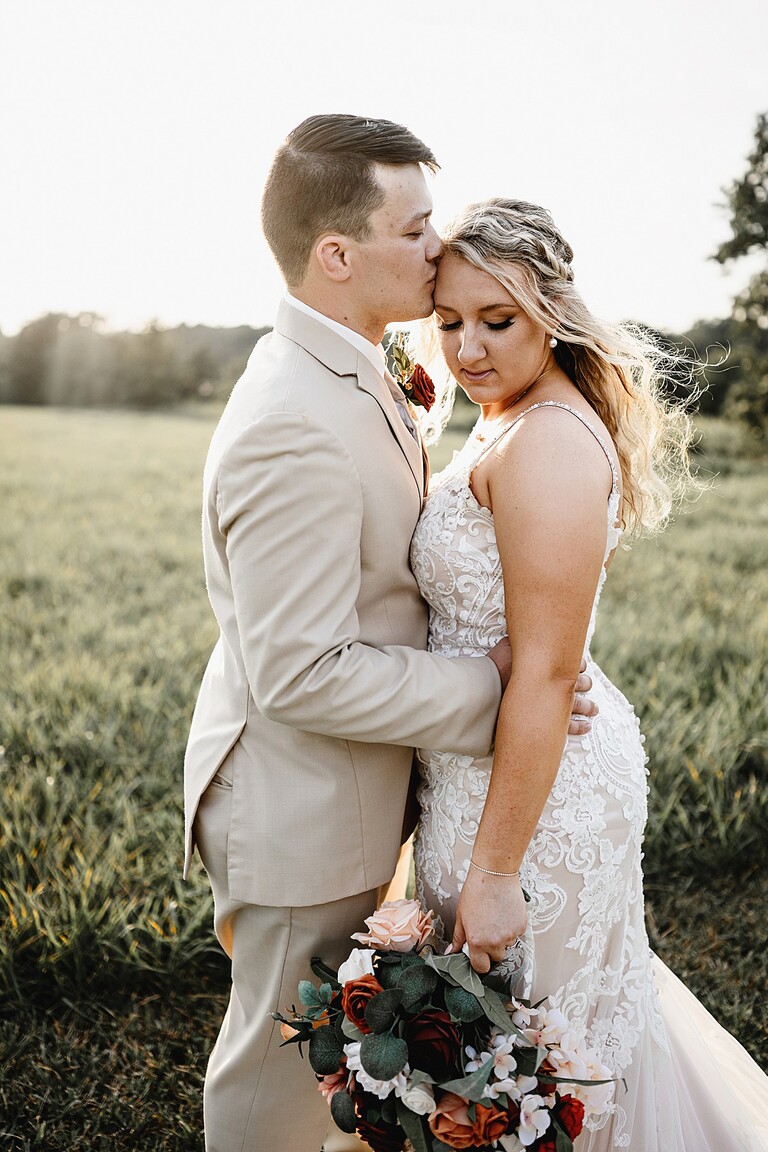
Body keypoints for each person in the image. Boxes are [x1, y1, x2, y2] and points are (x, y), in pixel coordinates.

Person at [183, 119, 598, 1152]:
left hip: (350, 785)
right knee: (277, 1078)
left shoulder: (356, 366)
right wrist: (493, 685)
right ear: (337, 255)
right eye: (413, 229)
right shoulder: (292, 417)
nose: (436, 244)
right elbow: (301, 673)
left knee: (326, 1073)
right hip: (299, 807)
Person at [409, 197, 768, 1150]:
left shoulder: (553, 441)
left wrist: (496, 872)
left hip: (540, 798)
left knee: (543, 1069)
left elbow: (546, 670)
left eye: (498, 321)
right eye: (449, 320)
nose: (468, 348)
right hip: (479, 771)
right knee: (505, 1064)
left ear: (552, 314)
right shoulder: (505, 415)